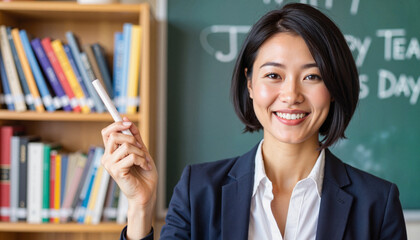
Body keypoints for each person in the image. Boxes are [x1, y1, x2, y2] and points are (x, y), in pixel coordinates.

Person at [101, 3, 407, 240]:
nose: (291, 95)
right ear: (249, 84)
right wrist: (140, 206)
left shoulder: (377, 203)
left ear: (335, 89)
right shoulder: (199, 189)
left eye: (312, 76)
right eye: (274, 75)